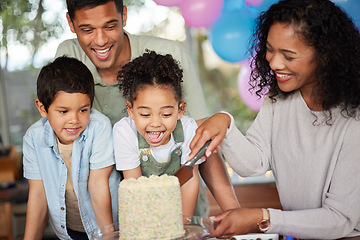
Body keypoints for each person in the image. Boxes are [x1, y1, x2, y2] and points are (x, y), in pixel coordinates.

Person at [187, 0, 360, 239]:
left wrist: (262, 217)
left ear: (326, 54)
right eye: (270, 49)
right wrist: (225, 123)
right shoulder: (279, 98)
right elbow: (254, 164)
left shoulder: (354, 118)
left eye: (289, 56)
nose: (275, 63)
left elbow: (339, 219)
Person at [55, 0, 240, 214]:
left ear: (124, 15)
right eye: (87, 30)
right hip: (115, 213)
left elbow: (201, 141)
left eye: (110, 26)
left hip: (183, 209)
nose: (100, 40)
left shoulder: (169, 54)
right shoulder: (69, 59)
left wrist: (235, 213)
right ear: (70, 22)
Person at [22, 56, 121, 239]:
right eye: (63, 111)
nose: (74, 120)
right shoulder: (33, 138)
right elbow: (38, 194)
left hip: (107, 226)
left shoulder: (100, 128)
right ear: (42, 108)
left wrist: (108, 236)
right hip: (69, 231)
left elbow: (98, 184)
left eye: (83, 110)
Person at [114, 50, 202, 216]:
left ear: (180, 109)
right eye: (145, 115)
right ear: (130, 110)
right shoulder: (125, 132)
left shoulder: (188, 128)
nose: (155, 123)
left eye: (166, 114)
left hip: (181, 209)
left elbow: (190, 181)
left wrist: (183, 224)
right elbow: (135, 188)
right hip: (142, 213)